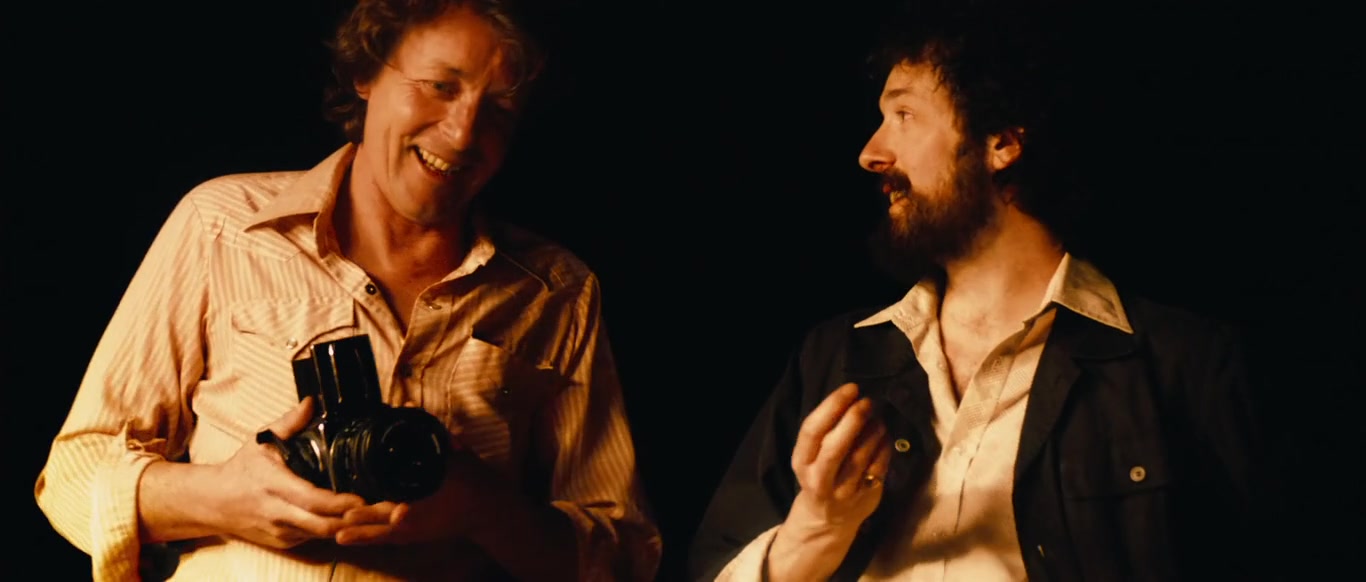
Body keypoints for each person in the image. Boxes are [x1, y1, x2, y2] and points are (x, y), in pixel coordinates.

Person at [33, 0, 661, 580]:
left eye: (498, 107)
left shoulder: (557, 291)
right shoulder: (221, 226)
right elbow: (70, 477)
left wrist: (481, 507)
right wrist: (224, 499)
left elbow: (624, 557)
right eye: (440, 86)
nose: (463, 133)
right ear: (366, 71)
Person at [687, 1, 1267, 580]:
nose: (871, 153)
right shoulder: (832, 357)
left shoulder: (1182, 363)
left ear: (1002, 144)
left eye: (904, 115)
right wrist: (817, 527)